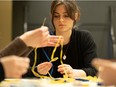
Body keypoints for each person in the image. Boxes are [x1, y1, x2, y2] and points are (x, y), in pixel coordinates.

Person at [28, 0, 97, 78]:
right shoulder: (42, 40)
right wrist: (37, 71)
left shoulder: (84, 38)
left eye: (66, 16)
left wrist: (75, 73)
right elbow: (25, 71)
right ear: (52, 17)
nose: (61, 20)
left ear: (75, 16)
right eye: (56, 16)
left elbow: (94, 70)